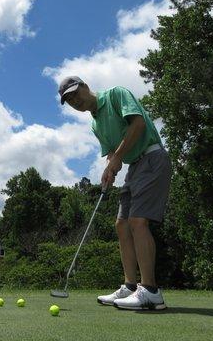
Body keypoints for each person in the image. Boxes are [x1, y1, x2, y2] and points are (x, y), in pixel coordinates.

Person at [58, 75, 172, 310]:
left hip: (152, 157)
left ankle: (150, 291)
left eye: (75, 94)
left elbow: (138, 124)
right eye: (68, 100)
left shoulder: (116, 95)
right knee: (121, 224)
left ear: (86, 87)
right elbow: (113, 154)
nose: (74, 101)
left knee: (138, 221)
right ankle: (130, 287)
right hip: (134, 167)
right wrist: (110, 168)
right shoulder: (95, 124)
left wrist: (118, 157)